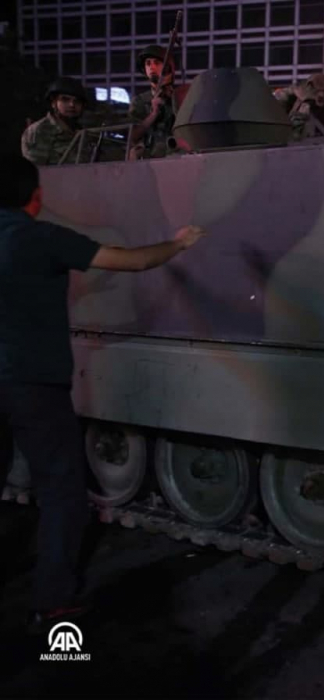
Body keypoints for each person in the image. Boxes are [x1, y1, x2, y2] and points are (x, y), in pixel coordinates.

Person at [0, 153, 206, 631]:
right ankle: (52, 601)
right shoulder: (42, 238)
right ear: (35, 197)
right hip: (33, 384)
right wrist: (177, 245)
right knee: (61, 492)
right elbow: (130, 261)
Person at [128, 43, 181, 159]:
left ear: (167, 67)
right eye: (148, 63)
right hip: (148, 158)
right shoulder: (140, 101)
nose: (151, 67)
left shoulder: (179, 96)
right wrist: (153, 114)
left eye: (156, 63)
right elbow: (132, 135)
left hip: (175, 156)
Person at [21, 77, 88, 166]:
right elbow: (36, 171)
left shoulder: (81, 131)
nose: (72, 105)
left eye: (77, 101)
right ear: (53, 103)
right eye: (65, 99)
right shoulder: (41, 130)